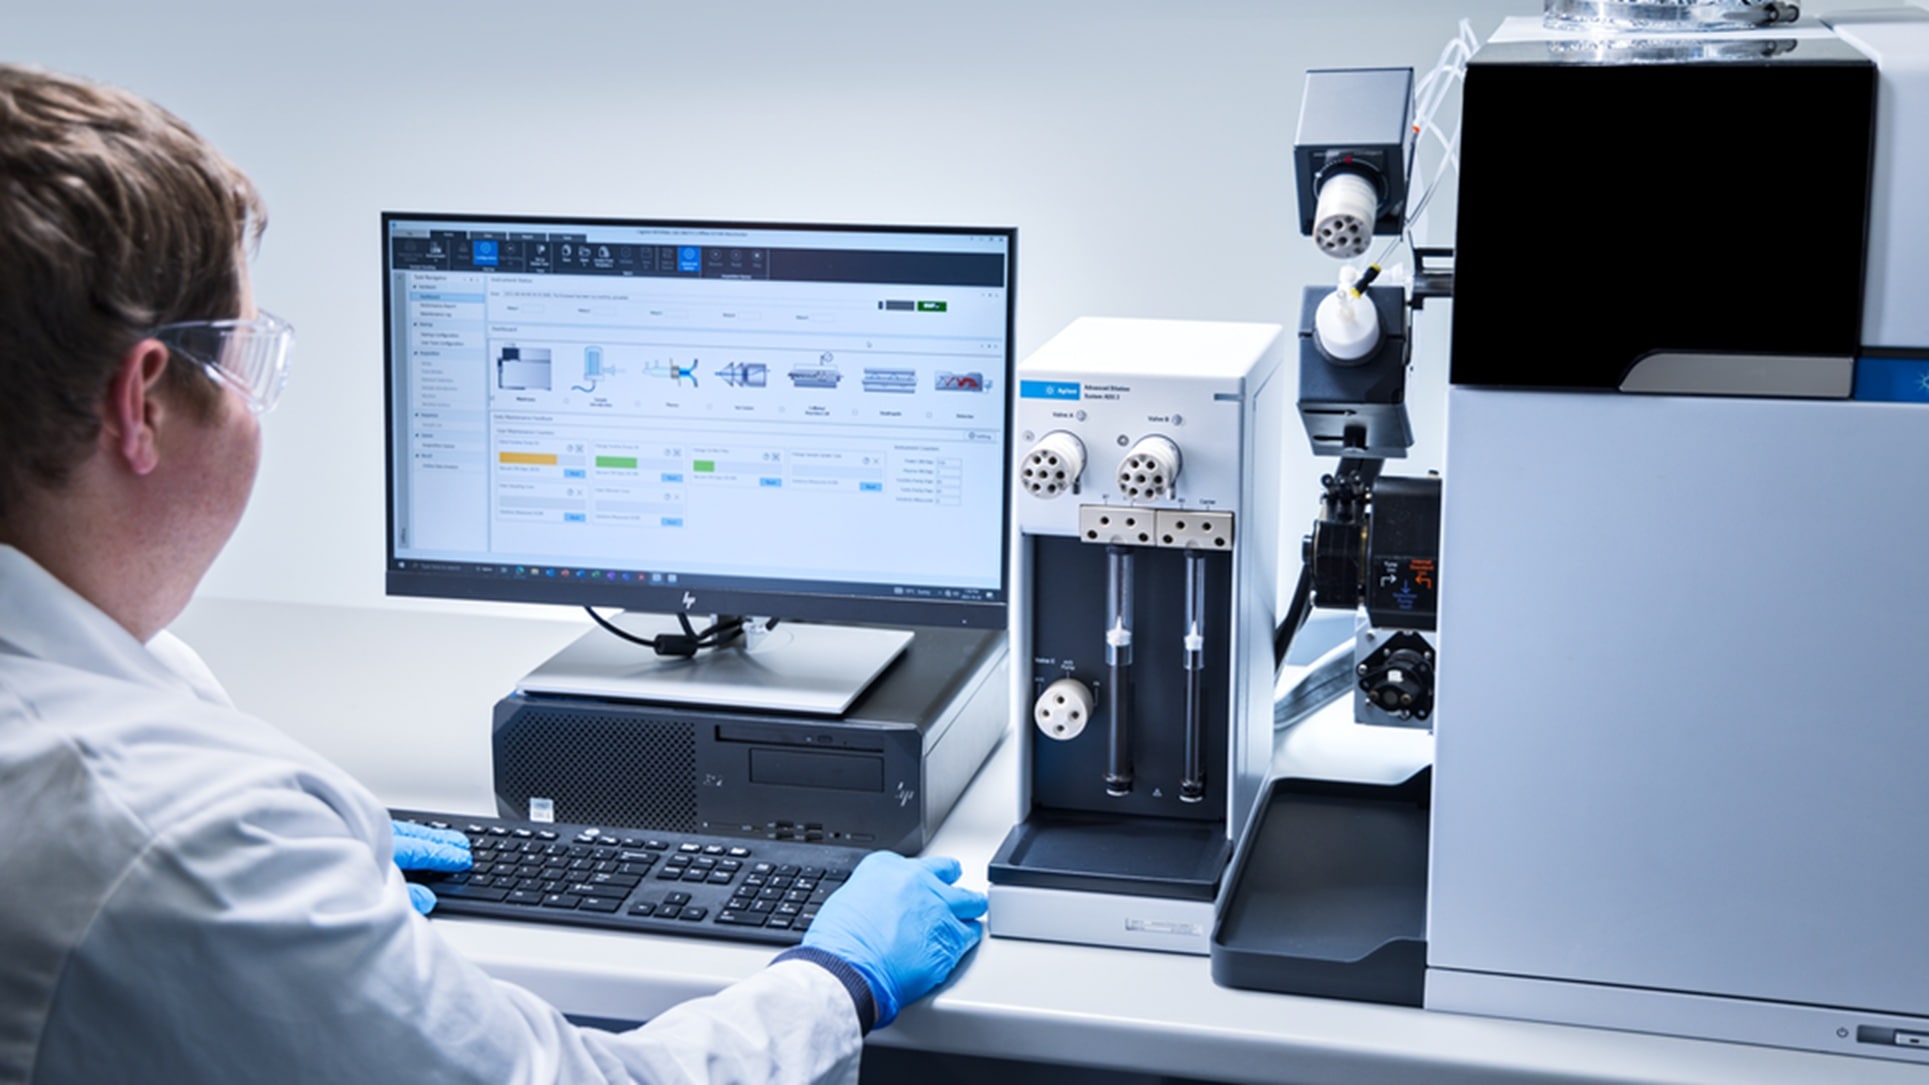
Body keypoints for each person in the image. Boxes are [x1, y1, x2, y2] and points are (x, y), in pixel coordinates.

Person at [0, 62, 986, 1084]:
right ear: (146, 403)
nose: (259, 406)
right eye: (248, 362)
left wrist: (328, 884)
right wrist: (837, 976)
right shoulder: (194, 836)